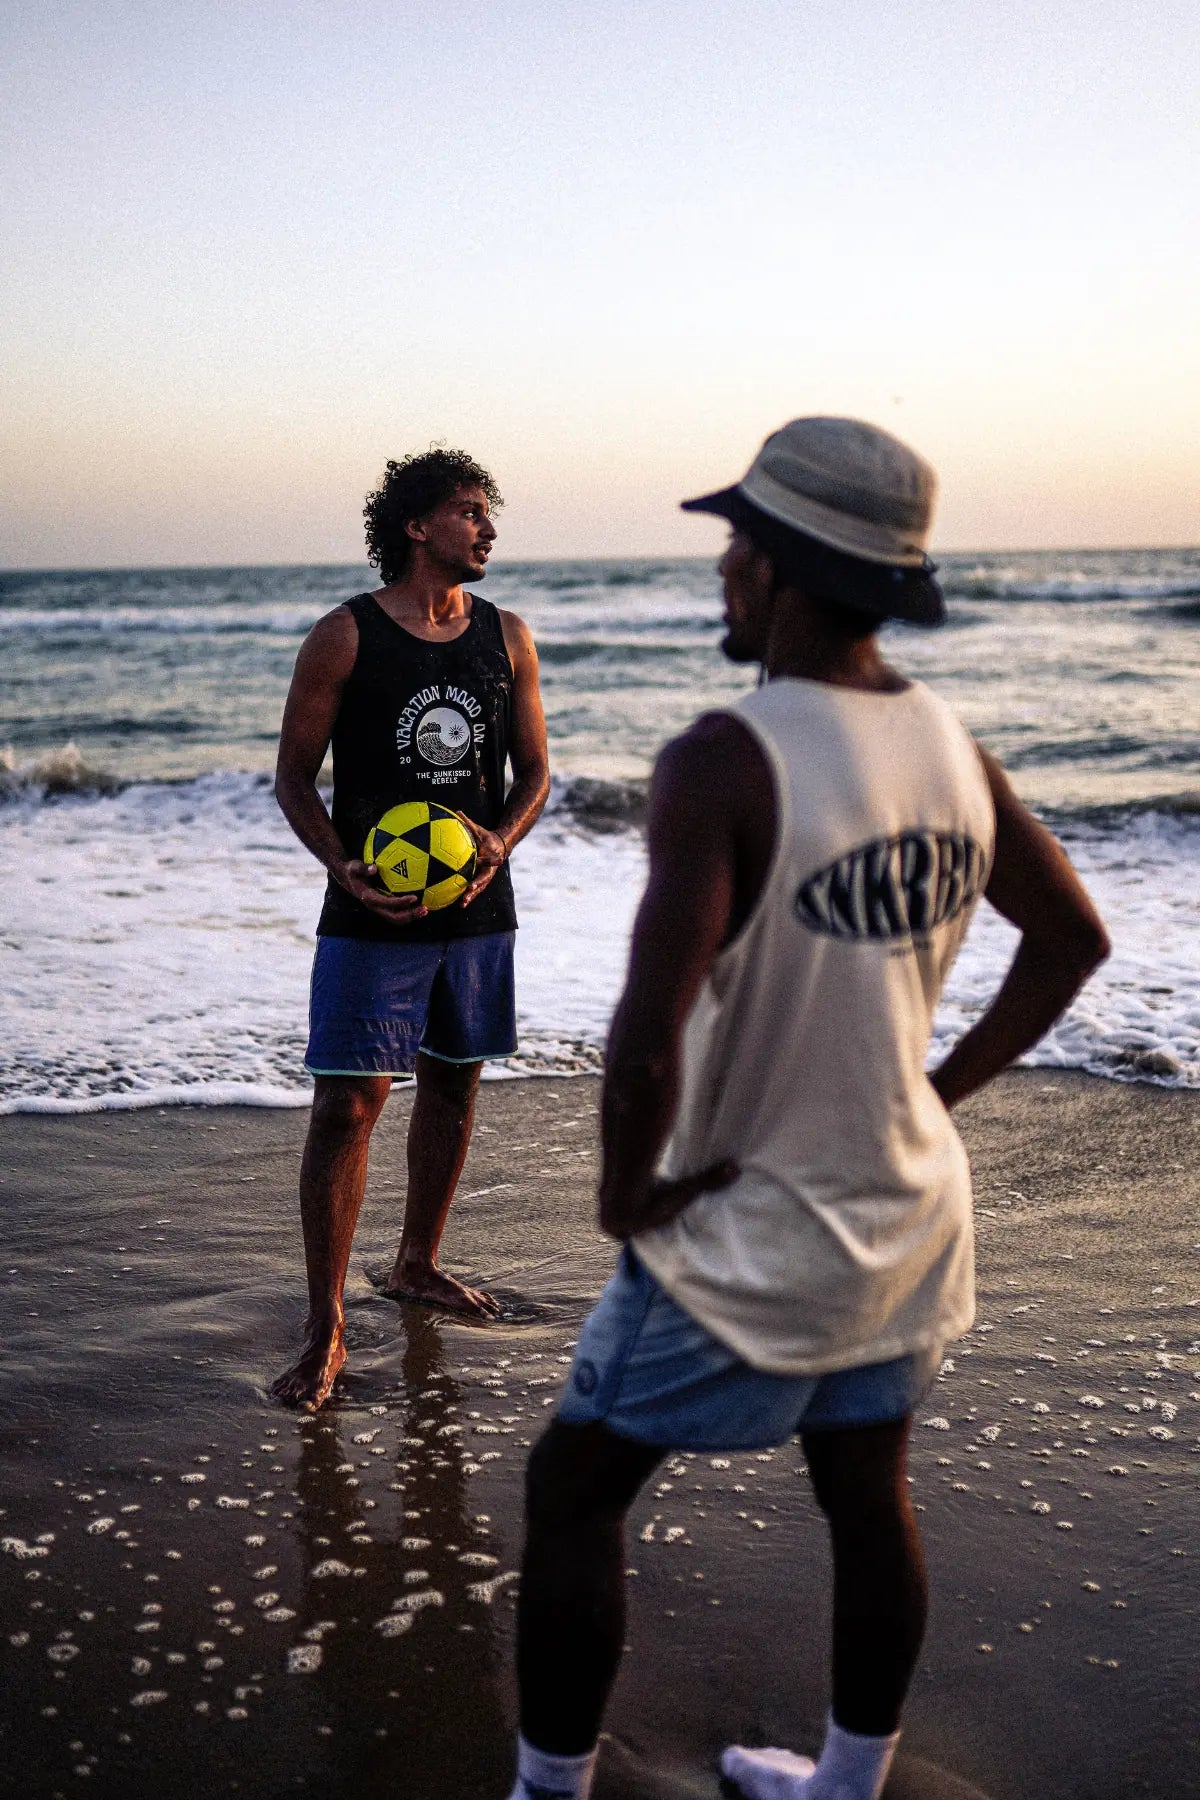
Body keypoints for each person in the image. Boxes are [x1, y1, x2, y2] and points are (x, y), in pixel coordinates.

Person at [507, 418, 1109, 1800]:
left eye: (739, 541)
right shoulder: (951, 746)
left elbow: (649, 1035)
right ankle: (844, 1784)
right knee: (864, 1491)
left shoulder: (728, 756)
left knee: (575, 1492)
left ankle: (546, 1791)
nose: (724, 567)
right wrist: (932, 1097)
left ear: (783, 566)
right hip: (907, 1216)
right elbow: (1073, 939)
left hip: (746, 1224)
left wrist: (619, 1198)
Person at [272, 448, 549, 1410]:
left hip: (476, 905)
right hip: (370, 908)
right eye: (470, 512)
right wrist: (341, 865)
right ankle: (327, 1324)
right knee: (347, 1107)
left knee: (455, 1083)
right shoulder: (344, 636)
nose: (487, 528)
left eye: (487, 512)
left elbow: (535, 778)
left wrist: (499, 843)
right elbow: (293, 779)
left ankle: (416, 1263)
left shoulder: (508, 636)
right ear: (416, 527)